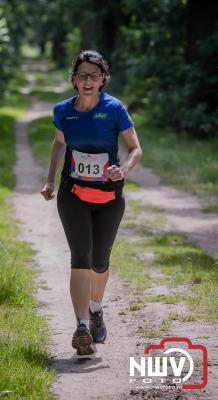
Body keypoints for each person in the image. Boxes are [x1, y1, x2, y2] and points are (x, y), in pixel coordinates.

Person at [41, 50, 142, 359]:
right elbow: (60, 142)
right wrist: (51, 180)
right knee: (80, 257)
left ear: (103, 80)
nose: (88, 81)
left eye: (94, 76)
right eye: (82, 75)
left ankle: (96, 309)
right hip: (74, 193)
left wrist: (122, 169)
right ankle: (82, 325)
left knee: (100, 260)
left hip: (109, 197)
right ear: (74, 79)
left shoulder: (114, 109)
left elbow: (135, 149)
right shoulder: (63, 111)